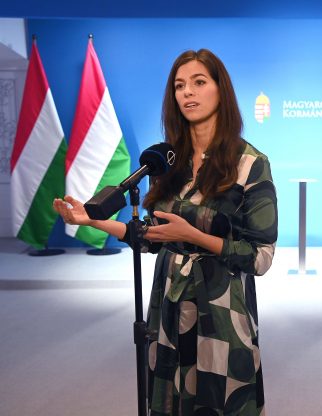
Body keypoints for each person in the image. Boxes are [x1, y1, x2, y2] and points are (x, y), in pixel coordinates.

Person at [53, 48, 278, 415]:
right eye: (179, 85)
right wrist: (90, 220)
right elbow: (150, 236)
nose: (187, 92)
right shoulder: (166, 161)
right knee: (171, 398)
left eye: (199, 82)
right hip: (168, 305)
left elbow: (261, 257)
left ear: (220, 90)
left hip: (221, 308)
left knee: (218, 400)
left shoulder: (250, 163)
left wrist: (194, 236)